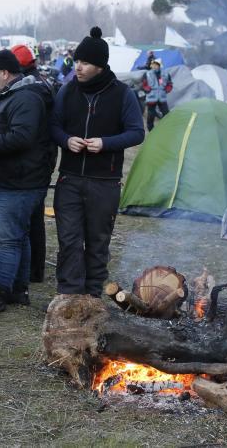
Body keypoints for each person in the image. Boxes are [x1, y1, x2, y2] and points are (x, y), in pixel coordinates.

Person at [49, 26, 145, 298]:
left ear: (100, 66)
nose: (78, 67)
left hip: (105, 181)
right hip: (69, 178)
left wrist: (105, 143)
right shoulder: (67, 92)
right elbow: (53, 126)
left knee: (97, 242)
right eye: (77, 61)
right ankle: (69, 295)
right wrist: (66, 140)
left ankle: (91, 298)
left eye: (86, 62)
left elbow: (136, 132)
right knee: (68, 240)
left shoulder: (122, 94)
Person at [0, 49, 53, 318]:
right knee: (21, 236)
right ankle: (20, 289)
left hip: (21, 180)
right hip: (21, 178)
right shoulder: (18, 94)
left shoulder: (26, 98)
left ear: (5, 73)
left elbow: (21, 137)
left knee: (8, 241)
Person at [10, 44, 56, 284]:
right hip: (45, 157)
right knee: (34, 216)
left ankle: (32, 270)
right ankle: (35, 270)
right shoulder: (44, 83)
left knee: (30, 219)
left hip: (33, 160)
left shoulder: (30, 88)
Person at [141, 59, 173, 131]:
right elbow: (143, 84)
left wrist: (167, 89)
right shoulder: (147, 74)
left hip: (162, 97)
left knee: (166, 114)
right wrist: (147, 90)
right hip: (151, 98)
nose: (154, 66)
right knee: (151, 115)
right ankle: (151, 130)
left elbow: (169, 84)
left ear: (159, 65)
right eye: (153, 64)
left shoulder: (166, 74)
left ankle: (168, 129)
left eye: (156, 64)